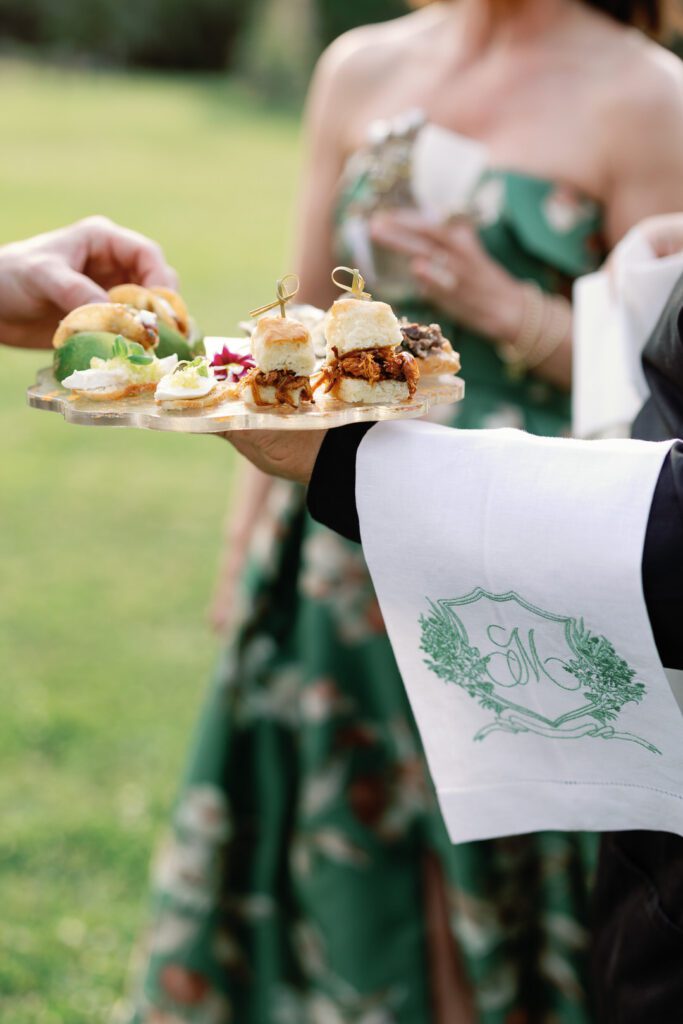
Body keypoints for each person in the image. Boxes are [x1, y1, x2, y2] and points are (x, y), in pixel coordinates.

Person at [130, 3, 683, 1022]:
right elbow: (284, 332)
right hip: (331, 560)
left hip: (515, 562)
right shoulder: (358, 65)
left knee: (475, 862)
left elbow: (654, 401)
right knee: (332, 841)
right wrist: (243, 544)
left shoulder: (651, 97)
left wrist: (511, 312)